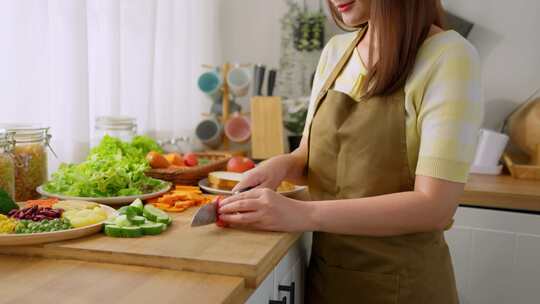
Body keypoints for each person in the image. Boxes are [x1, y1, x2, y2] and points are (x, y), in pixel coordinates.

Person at [218, 0, 482, 303]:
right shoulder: (336, 52)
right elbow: (311, 155)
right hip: (326, 281)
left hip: (402, 288)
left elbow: (435, 207)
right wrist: (280, 165)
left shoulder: (449, 57)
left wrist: (303, 213)